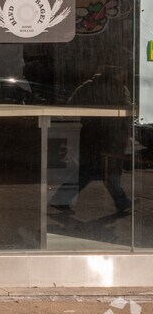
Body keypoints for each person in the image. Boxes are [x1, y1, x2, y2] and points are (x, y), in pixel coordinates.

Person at [50, 65, 132, 216]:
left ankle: (61, 199)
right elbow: (127, 111)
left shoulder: (87, 86)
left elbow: (71, 104)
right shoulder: (119, 89)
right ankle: (123, 202)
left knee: (89, 169)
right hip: (111, 136)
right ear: (117, 75)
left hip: (91, 134)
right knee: (107, 170)